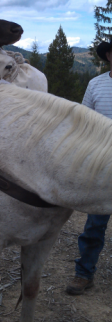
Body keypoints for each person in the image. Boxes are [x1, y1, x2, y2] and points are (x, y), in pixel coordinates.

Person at [66, 39, 112, 295]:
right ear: (108, 55)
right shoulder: (96, 84)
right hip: (102, 165)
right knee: (95, 224)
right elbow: (84, 123)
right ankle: (84, 273)